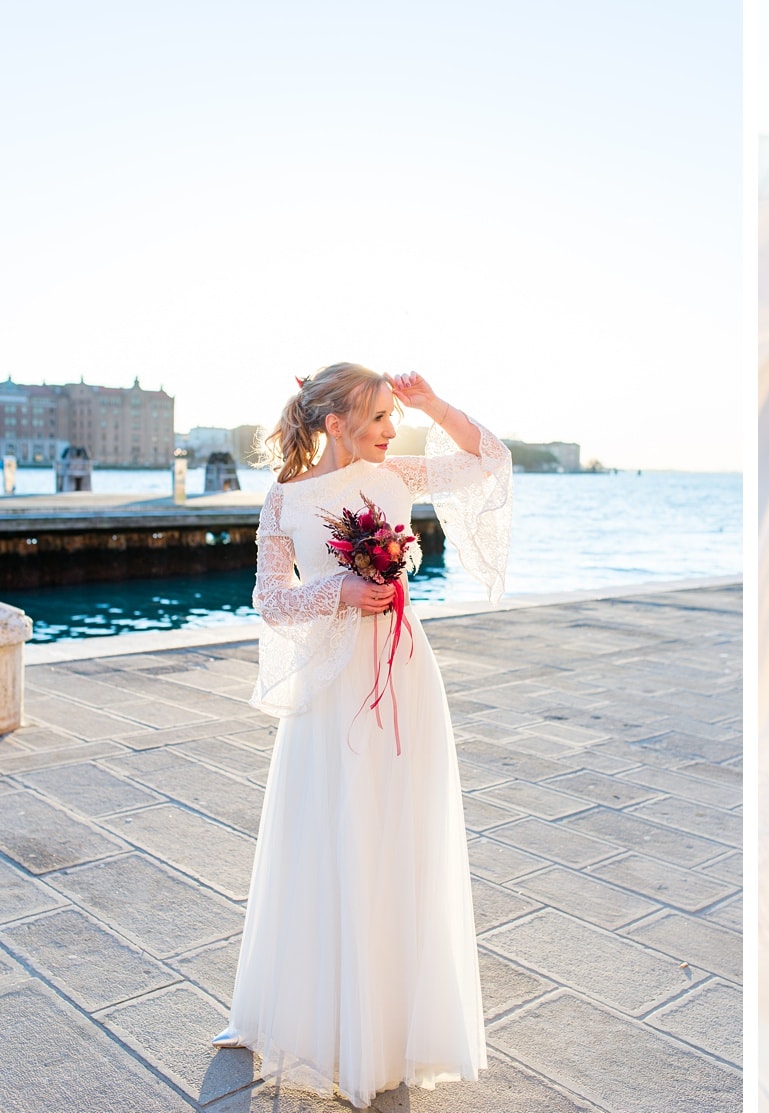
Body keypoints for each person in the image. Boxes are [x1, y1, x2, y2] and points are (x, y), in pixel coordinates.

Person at [211, 362, 511, 1109]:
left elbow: (486, 461)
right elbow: (271, 600)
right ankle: (336, 1022)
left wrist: (431, 400)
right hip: (333, 689)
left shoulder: (398, 473)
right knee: (335, 836)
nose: (390, 429)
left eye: (392, 416)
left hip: (404, 675)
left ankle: (393, 1019)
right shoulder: (286, 498)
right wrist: (339, 590)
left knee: (398, 834)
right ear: (334, 423)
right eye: (378, 416)